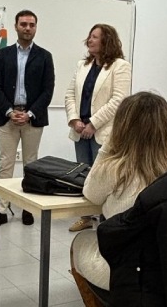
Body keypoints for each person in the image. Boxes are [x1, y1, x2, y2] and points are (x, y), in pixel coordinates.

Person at [69, 91, 167, 305]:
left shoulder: (114, 168)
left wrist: (108, 144)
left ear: (121, 128)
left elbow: (91, 194)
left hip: (127, 272)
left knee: (81, 240)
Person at [0, 9, 55, 228]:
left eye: (31, 25)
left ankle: (28, 208)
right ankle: (1, 211)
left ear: (36, 28)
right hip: (7, 117)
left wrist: (29, 113)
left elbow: (48, 90)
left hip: (32, 118)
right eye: (24, 24)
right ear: (16, 26)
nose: (28, 28)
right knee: (5, 164)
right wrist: (10, 111)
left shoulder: (44, 56)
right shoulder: (3, 55)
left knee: (31, 165)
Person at [64, 24, 132, 232]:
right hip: (80, 130)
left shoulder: (120, 66)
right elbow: (70, 94)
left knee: (104, 176)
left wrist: (93, 124)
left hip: (103, 131)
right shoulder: (82, 65)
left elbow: (118, 100)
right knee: (83, 175)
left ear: (106, 41)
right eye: (90, 36)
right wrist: (74, 120)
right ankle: (85, 216)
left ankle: (106, 219)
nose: (89, 40)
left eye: (94, 37)